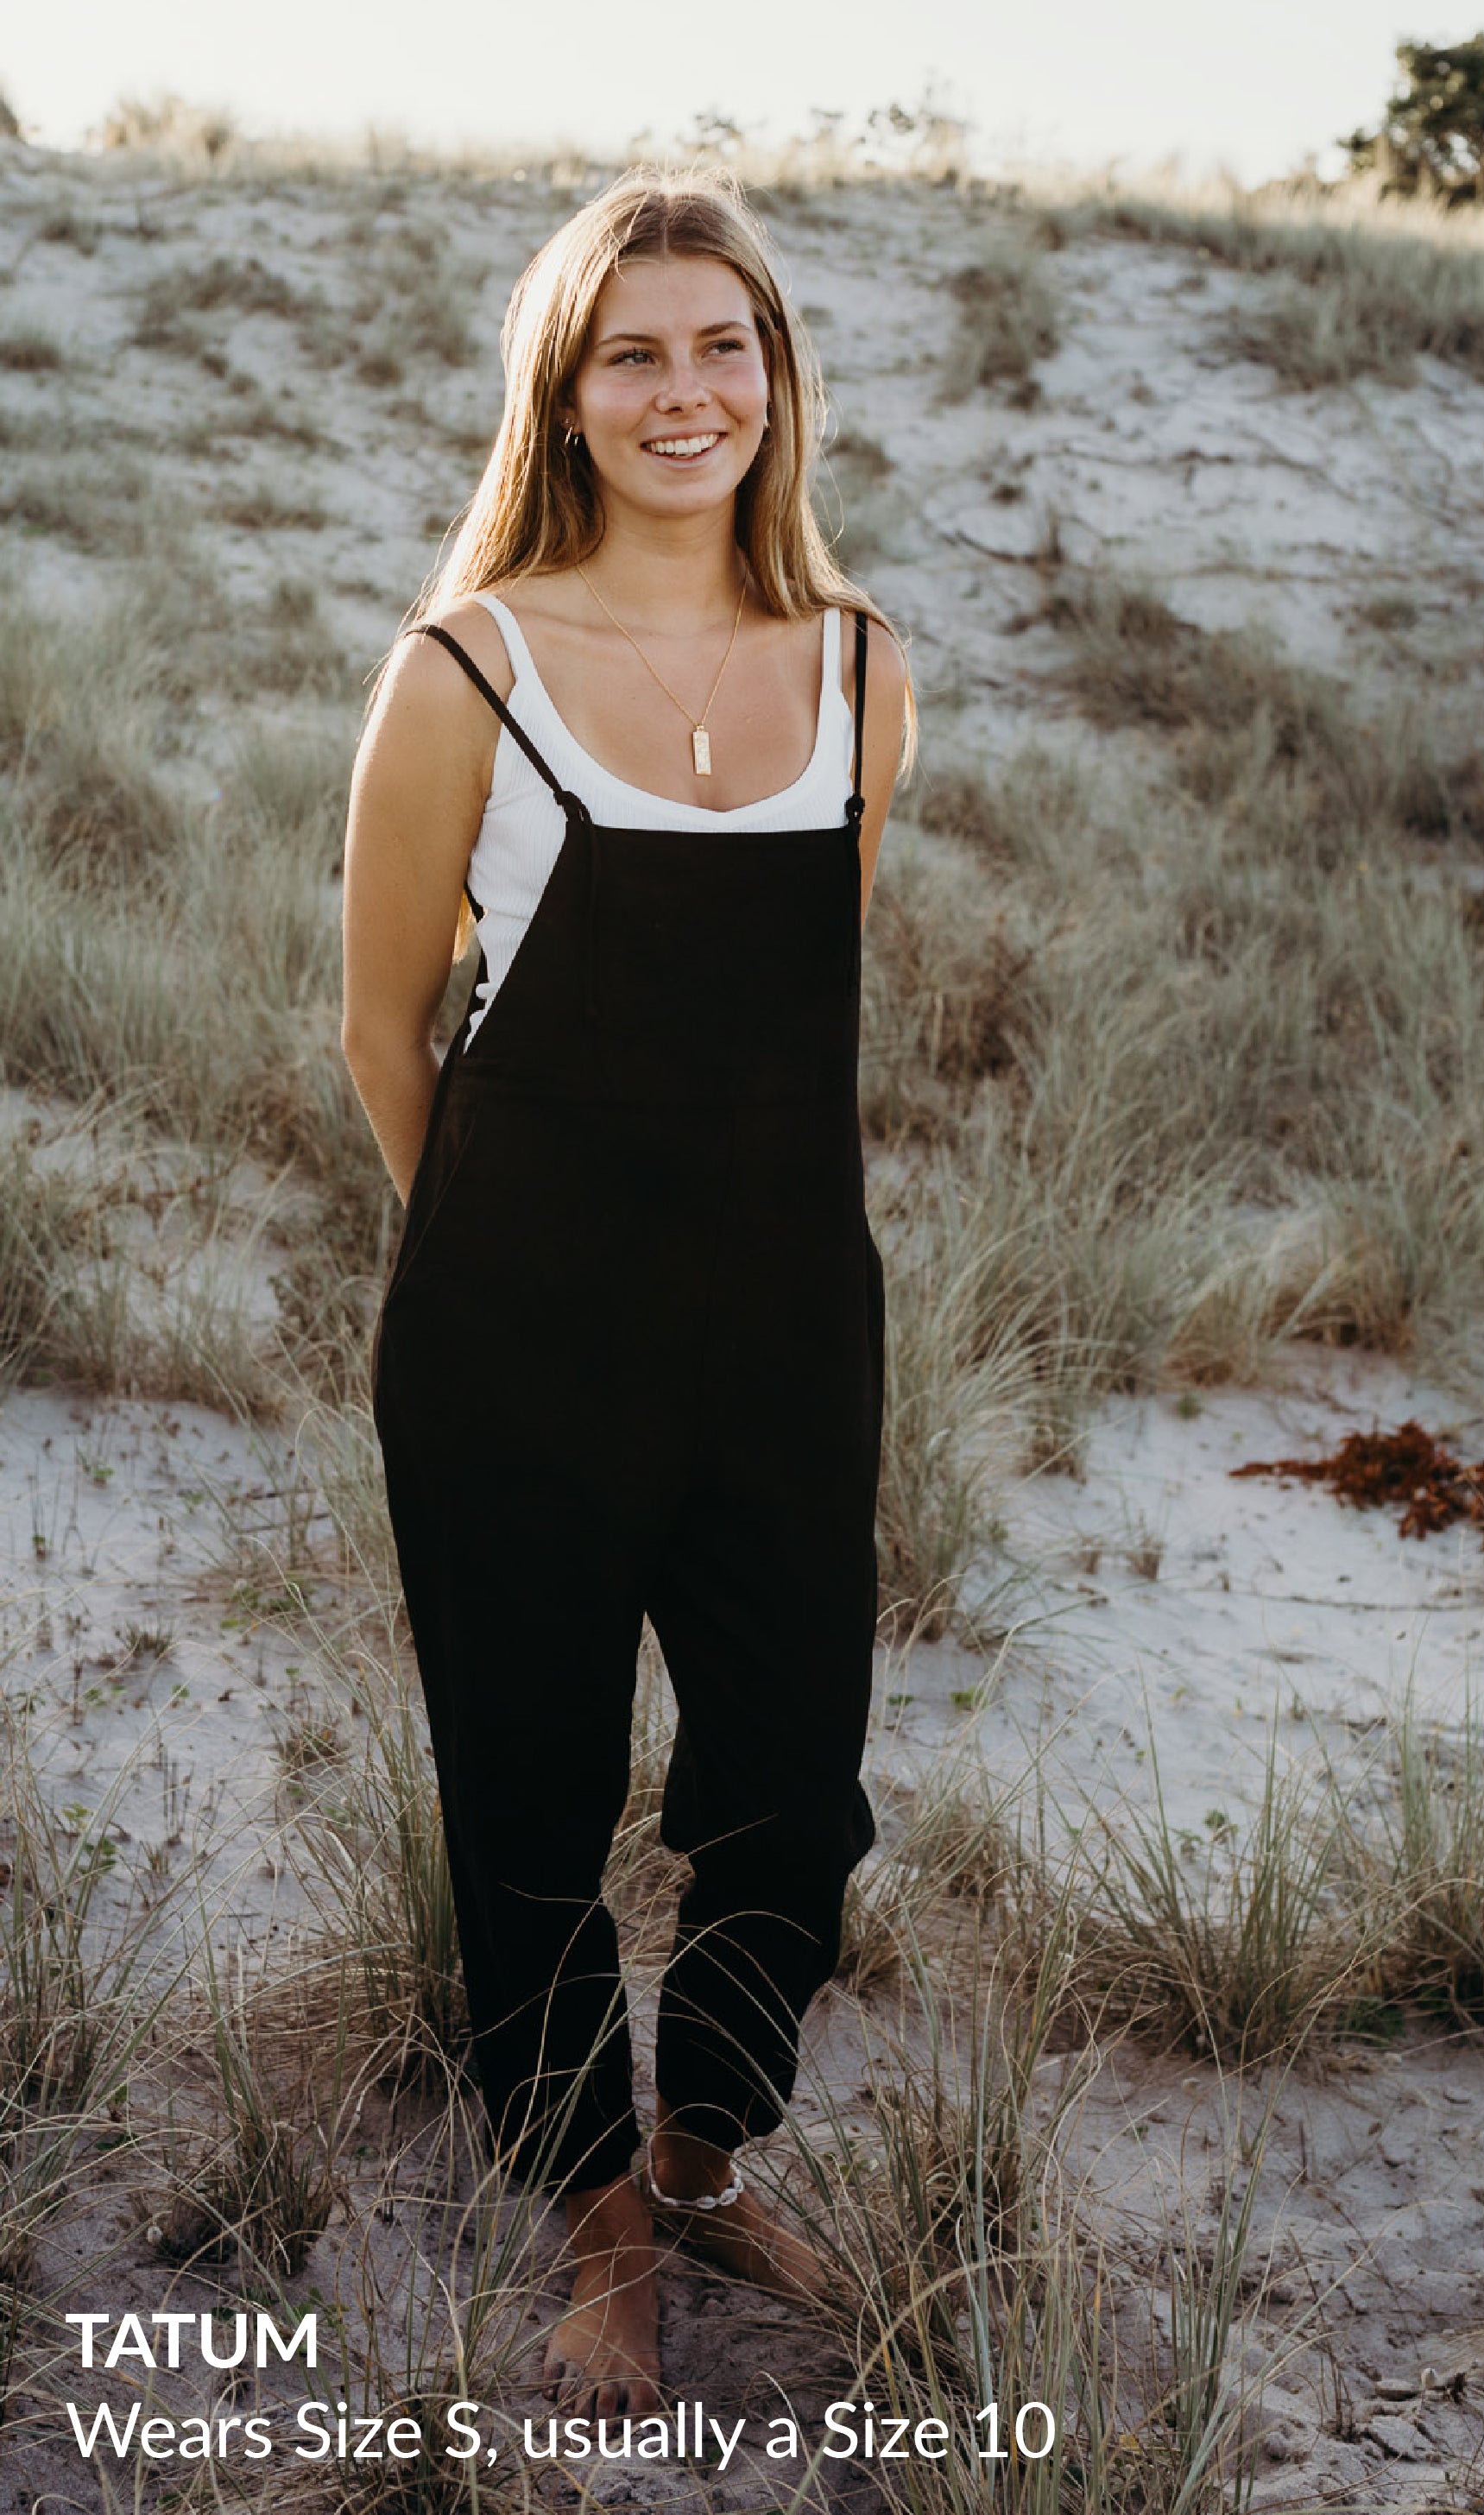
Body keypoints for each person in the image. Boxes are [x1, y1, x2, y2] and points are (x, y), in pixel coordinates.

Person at [339, 165, 909, 2418]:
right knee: (533, 1790)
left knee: (792, 1782)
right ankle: (590, 2215)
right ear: (564, 399)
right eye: (635, 353)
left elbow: (806, 1006)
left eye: (723, 346)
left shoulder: (864, 673)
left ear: (777, 379)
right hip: (515, 1344)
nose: (687, 392)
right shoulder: (466, 665)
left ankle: (699, 2143)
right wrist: (496, 1279)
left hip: (790, 1342)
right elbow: (383, 1028)